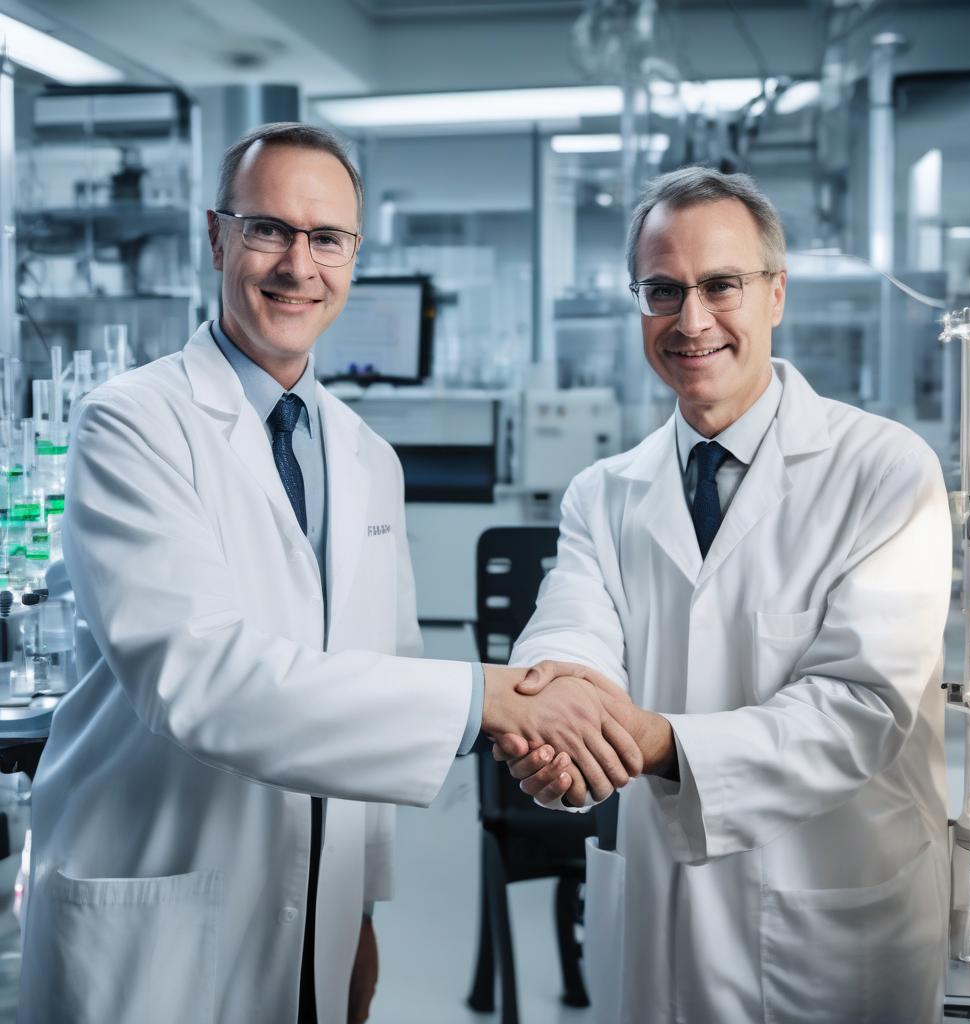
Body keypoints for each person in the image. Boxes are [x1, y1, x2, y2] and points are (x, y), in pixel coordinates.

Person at [16, 123, 642, 1024]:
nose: (296, 265)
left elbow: (379, 676)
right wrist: (493, 700)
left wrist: (361, 908)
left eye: (327, 239)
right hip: (157, 911)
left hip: (315, 915)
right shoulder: (132, 424)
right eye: (267, 229)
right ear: (216, 237)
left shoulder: (365, 457)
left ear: (354, 255)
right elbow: (202, 682)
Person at [496, 167, 952, 1024]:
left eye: (721, 286)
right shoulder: (605, 491)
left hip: (831, 917)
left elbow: (862, 706)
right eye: (663, 290)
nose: (691, 320)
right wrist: (554, 721)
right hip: (662, 913)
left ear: (776, 295)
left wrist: (661, 742)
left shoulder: (887, 472)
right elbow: (572, 634)